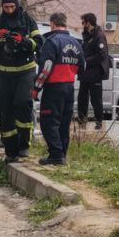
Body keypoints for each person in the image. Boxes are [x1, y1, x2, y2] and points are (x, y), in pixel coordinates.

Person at [0, 0, 42, 163]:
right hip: (2, 72)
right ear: (2, 7)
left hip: (25, 70)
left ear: (16, 5)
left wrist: (23, 41)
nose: (8, 10)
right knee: (5, 111)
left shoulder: (27, 20)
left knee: (23, 103)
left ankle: (24, 144)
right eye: (5, 7)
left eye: (11, 7)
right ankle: (10, 150)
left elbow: (39, 41)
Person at [33, 13, 84, 166]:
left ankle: (55, 154)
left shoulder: (51, 42)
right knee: (64, 122)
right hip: (69, 87)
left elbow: (46, 68)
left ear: (53, 23)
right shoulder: (75, 42)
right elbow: (83, 66)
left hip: (54, 87)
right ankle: (62, 154)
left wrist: (36, 87)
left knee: (49, 122)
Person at [78, 13, 111, 130]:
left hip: (95, 73)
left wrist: (87, 61)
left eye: (83, 22)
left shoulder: (99, 35)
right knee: (82, 98)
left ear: (88, 23)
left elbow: (102, 55)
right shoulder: (86, 35)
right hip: (85, 73)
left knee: (96, 99)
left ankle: (99, 121)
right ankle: (82, 121)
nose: (82, 25)